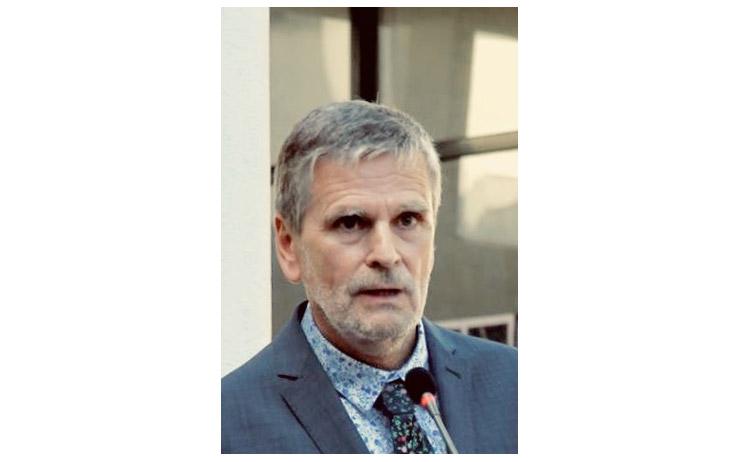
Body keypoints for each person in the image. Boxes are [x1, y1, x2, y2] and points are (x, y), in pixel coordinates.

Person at [221, 100, 517, 454]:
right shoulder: (227, 425)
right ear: (288, 246)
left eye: (407, 220)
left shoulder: (514, 385)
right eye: (351, 223)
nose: (386, 254)